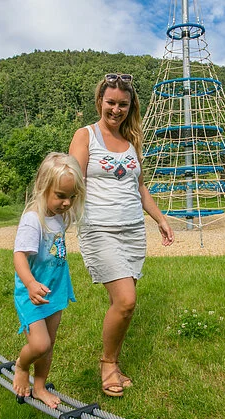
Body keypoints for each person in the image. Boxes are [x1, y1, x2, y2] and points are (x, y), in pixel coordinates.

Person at [69, 73, 174, 397]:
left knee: (122, 304)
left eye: (123, 105)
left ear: (131, 107)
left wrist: (160, 218)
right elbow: (70, 181)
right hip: (99, 228)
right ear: (100, 101)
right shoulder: (85, 136)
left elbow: (139, 186)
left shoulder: (131, 143)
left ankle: (113, 360)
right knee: (127, 301)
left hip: (133, 232)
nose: (116, 109)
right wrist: (52, 222)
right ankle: (106, 363)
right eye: (111, 102)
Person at [12, 152, 85, 408]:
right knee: (40, 344)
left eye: (72, 197)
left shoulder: (59, 216)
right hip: (32, 293)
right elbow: (19, 256)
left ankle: (40, 386)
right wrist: (31, 284)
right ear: (43, 188)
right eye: (61, 196)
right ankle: (21, 366)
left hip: (54, 289)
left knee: (49, 344)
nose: (66, 203)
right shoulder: (34, 220)